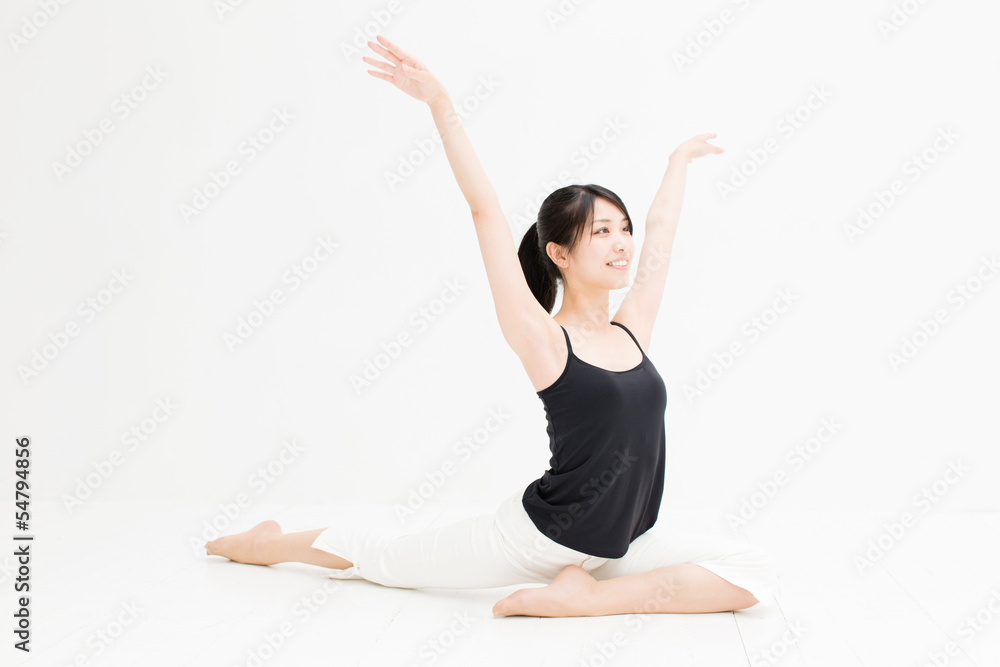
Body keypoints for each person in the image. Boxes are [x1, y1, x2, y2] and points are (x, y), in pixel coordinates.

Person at [205, 34, 780, 618]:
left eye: (622, 228)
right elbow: (484, 208)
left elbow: (661, 229)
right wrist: (440, 104)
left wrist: (677, 161)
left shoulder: (631, 330)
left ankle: (586, 598)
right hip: (541, 539)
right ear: (559, 252)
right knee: (384, 559)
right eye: (601, 231)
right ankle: (265, 544)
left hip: (620, 546)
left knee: (752, 572)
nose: (622, 243)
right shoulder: (544, 338)